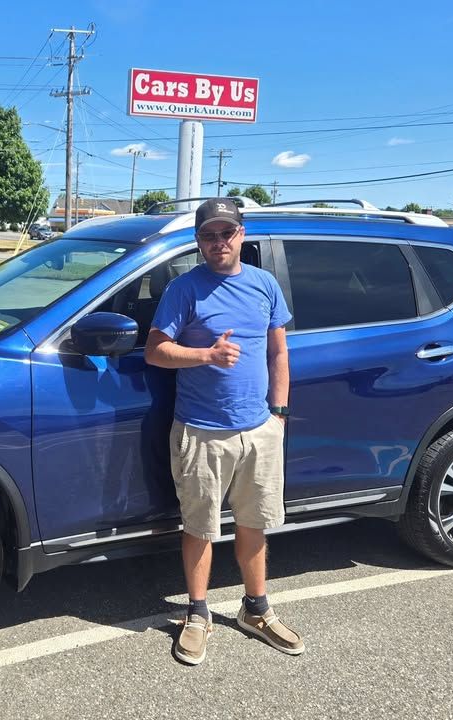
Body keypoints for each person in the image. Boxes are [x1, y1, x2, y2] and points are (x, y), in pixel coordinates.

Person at [144, 198, 303, 665]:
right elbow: (156, 352)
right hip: (201, 430)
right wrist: (206, 356)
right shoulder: (184, 290)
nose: (219, 242)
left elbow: (279, 353)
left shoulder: (264, 285)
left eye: (227, 233)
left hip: (258, 430)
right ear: (198, 241)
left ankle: (256, 609)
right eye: (209, 235)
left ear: (241, 234)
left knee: (254, 525)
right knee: (200, 528)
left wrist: (279, 414)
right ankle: (197, 614)